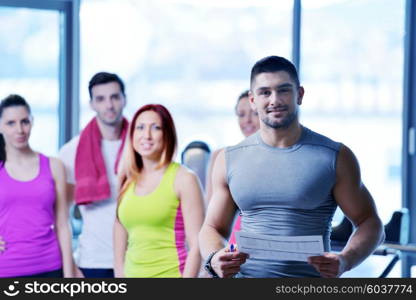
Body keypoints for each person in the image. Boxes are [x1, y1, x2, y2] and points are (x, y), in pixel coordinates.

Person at [198, 56, 385, 278]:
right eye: (265, 92)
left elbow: (369, 222)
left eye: (284, 90)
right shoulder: (229, 159)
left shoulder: (335, 156)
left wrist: (345, 260)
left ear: (300, 94)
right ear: (252, 100)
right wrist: (213, 258)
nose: (274, 100)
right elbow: (212, 228)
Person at [114, 104, 204, 278]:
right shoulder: (127, 178)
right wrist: (119, 270)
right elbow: (119, 225)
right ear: (132, 134)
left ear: (167, 134)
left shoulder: (184, 178)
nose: (146, 135)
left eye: (155, 128)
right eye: (140, 127)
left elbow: (197, 245)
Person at [58, 72, 129, 278]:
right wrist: (70, 265)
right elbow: (60, 216)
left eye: (115, 97)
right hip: (93, 260)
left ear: (124, 99)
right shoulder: (71, 152)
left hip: (137, 256)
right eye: (101, 99)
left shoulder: (141, 145)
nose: (109, 105)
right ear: (91, 104)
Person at [0, 94, 76, 277]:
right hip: (7, 269)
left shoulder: (54, 166)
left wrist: (69, 274)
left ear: (32, 122)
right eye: (11, 123)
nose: (19, 130)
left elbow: (63, 224)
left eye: (24, 121)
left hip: (50, 266)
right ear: (0, 126)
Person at [205, 90, 260, 244]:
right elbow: (211, 219)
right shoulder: (223, 157)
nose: (247, 120)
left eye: (254, 113)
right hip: (234, 246)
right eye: (241, 115)